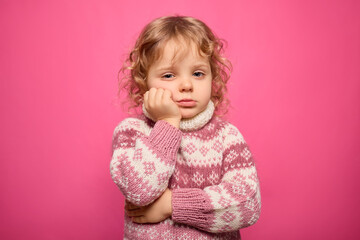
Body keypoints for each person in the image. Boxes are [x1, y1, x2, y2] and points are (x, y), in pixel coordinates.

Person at [110, 15, 261, 240]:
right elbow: (139, 192)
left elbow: (248, 204)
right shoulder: (132, 132)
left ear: (213, 78)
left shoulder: (226, 136)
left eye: (198, 73)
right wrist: (168, 124)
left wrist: (172, 204)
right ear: (144, 82)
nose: (187, 85)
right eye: (169, 75)